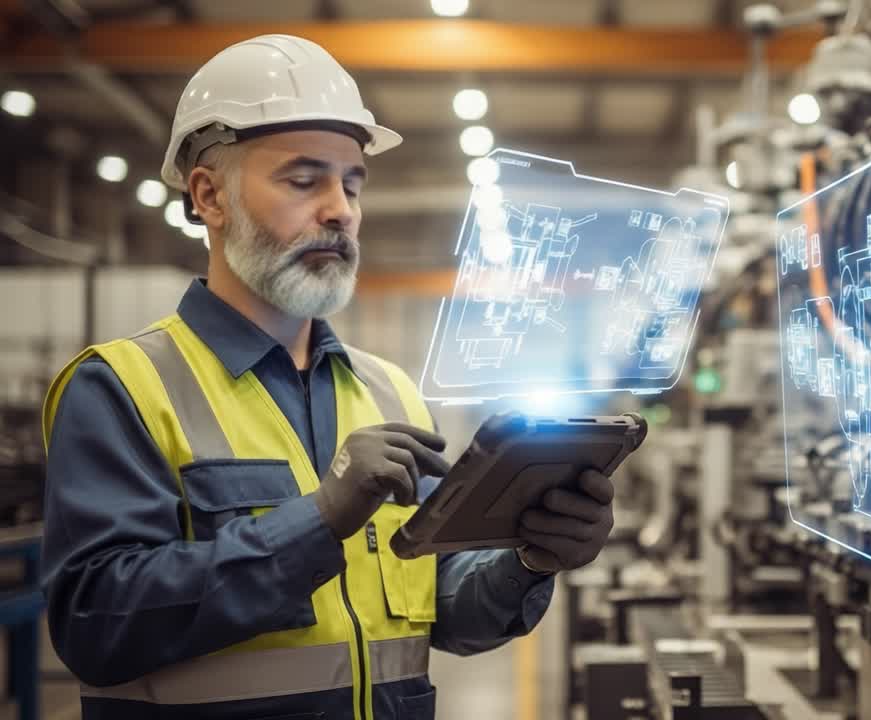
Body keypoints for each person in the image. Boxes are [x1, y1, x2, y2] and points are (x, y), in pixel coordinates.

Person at [39, 34, 614, 720]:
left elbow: (444, 612)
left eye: (352, 183)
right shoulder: (122, 388)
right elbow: (96, 625)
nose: (340, 209)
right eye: (304, 180)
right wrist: (316, 521)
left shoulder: (390, 393)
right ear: (209, 196)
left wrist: (530, 560)